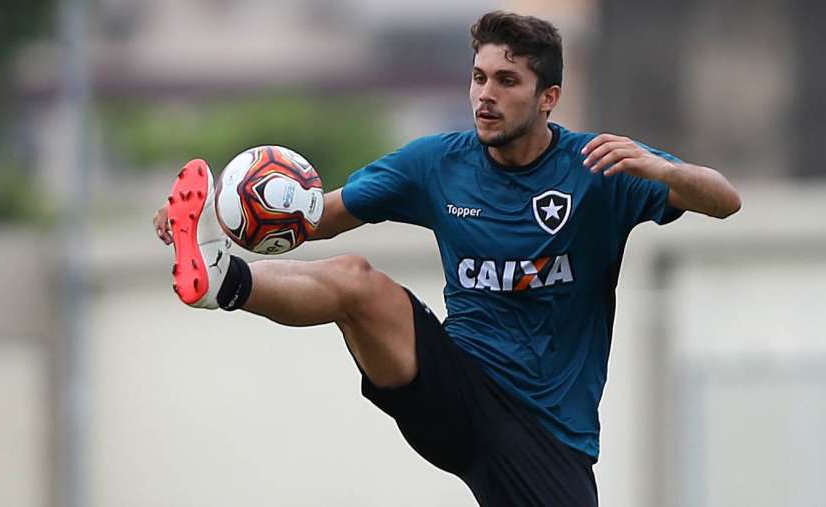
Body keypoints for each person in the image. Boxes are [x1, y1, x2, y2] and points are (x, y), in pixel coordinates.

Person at [152, 10, 740, 506]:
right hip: (456, 385)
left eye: (507, 80)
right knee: (357, 282)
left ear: (548, 97)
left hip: (548, 434)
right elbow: (310, 221)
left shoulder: (600, 167)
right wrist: (213, 222)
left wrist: (663, 170)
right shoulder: (435, 164)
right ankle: (220, 280)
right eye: (479, 77)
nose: (486, 94)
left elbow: (724, 201)